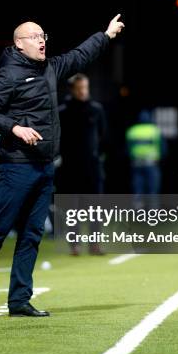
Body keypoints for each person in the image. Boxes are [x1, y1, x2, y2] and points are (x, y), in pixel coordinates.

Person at [0, 15, 125, 316]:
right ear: (19, 44)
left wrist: (106, 35)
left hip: (45, 166)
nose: (41, 39)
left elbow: (79, 55)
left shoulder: (49, 68)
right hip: (18, 165)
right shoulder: (8, 74)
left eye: (43, 35)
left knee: (32, 234)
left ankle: (19, 300)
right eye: (34, 36)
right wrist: (14, 128)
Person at [58, 73, 108, 255]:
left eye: (85, 88)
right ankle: (75, 245)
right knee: (72, 209)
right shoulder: (62, 112)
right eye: (79, 88)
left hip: (92, 168)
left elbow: (104, 136)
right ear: (72, 89)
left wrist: (97, 156)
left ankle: (95, 244)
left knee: (95, 208)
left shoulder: (96, 110)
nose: (82, 91)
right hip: (69, 168)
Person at [126, 110, 162, 203]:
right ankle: (153, 211)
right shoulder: (154, 130)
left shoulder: (132, 131)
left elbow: (127, 148)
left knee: (137, 189)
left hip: (136, 163)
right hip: (151, 163)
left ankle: (138, 211)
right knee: (152, 189)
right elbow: (162, 148)